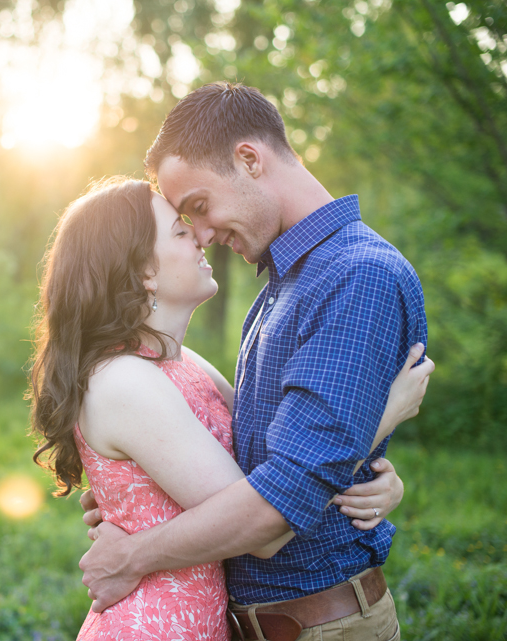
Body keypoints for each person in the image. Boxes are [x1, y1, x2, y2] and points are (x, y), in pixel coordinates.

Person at [77, 83, 431, 641]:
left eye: (198, 206)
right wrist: (134, 494)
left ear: (249, 160)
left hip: (322, 624)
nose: (205, 234)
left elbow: (283, 498)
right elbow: (272, 454)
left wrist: (134, 553)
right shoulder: (285, 283)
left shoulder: (355, 277)